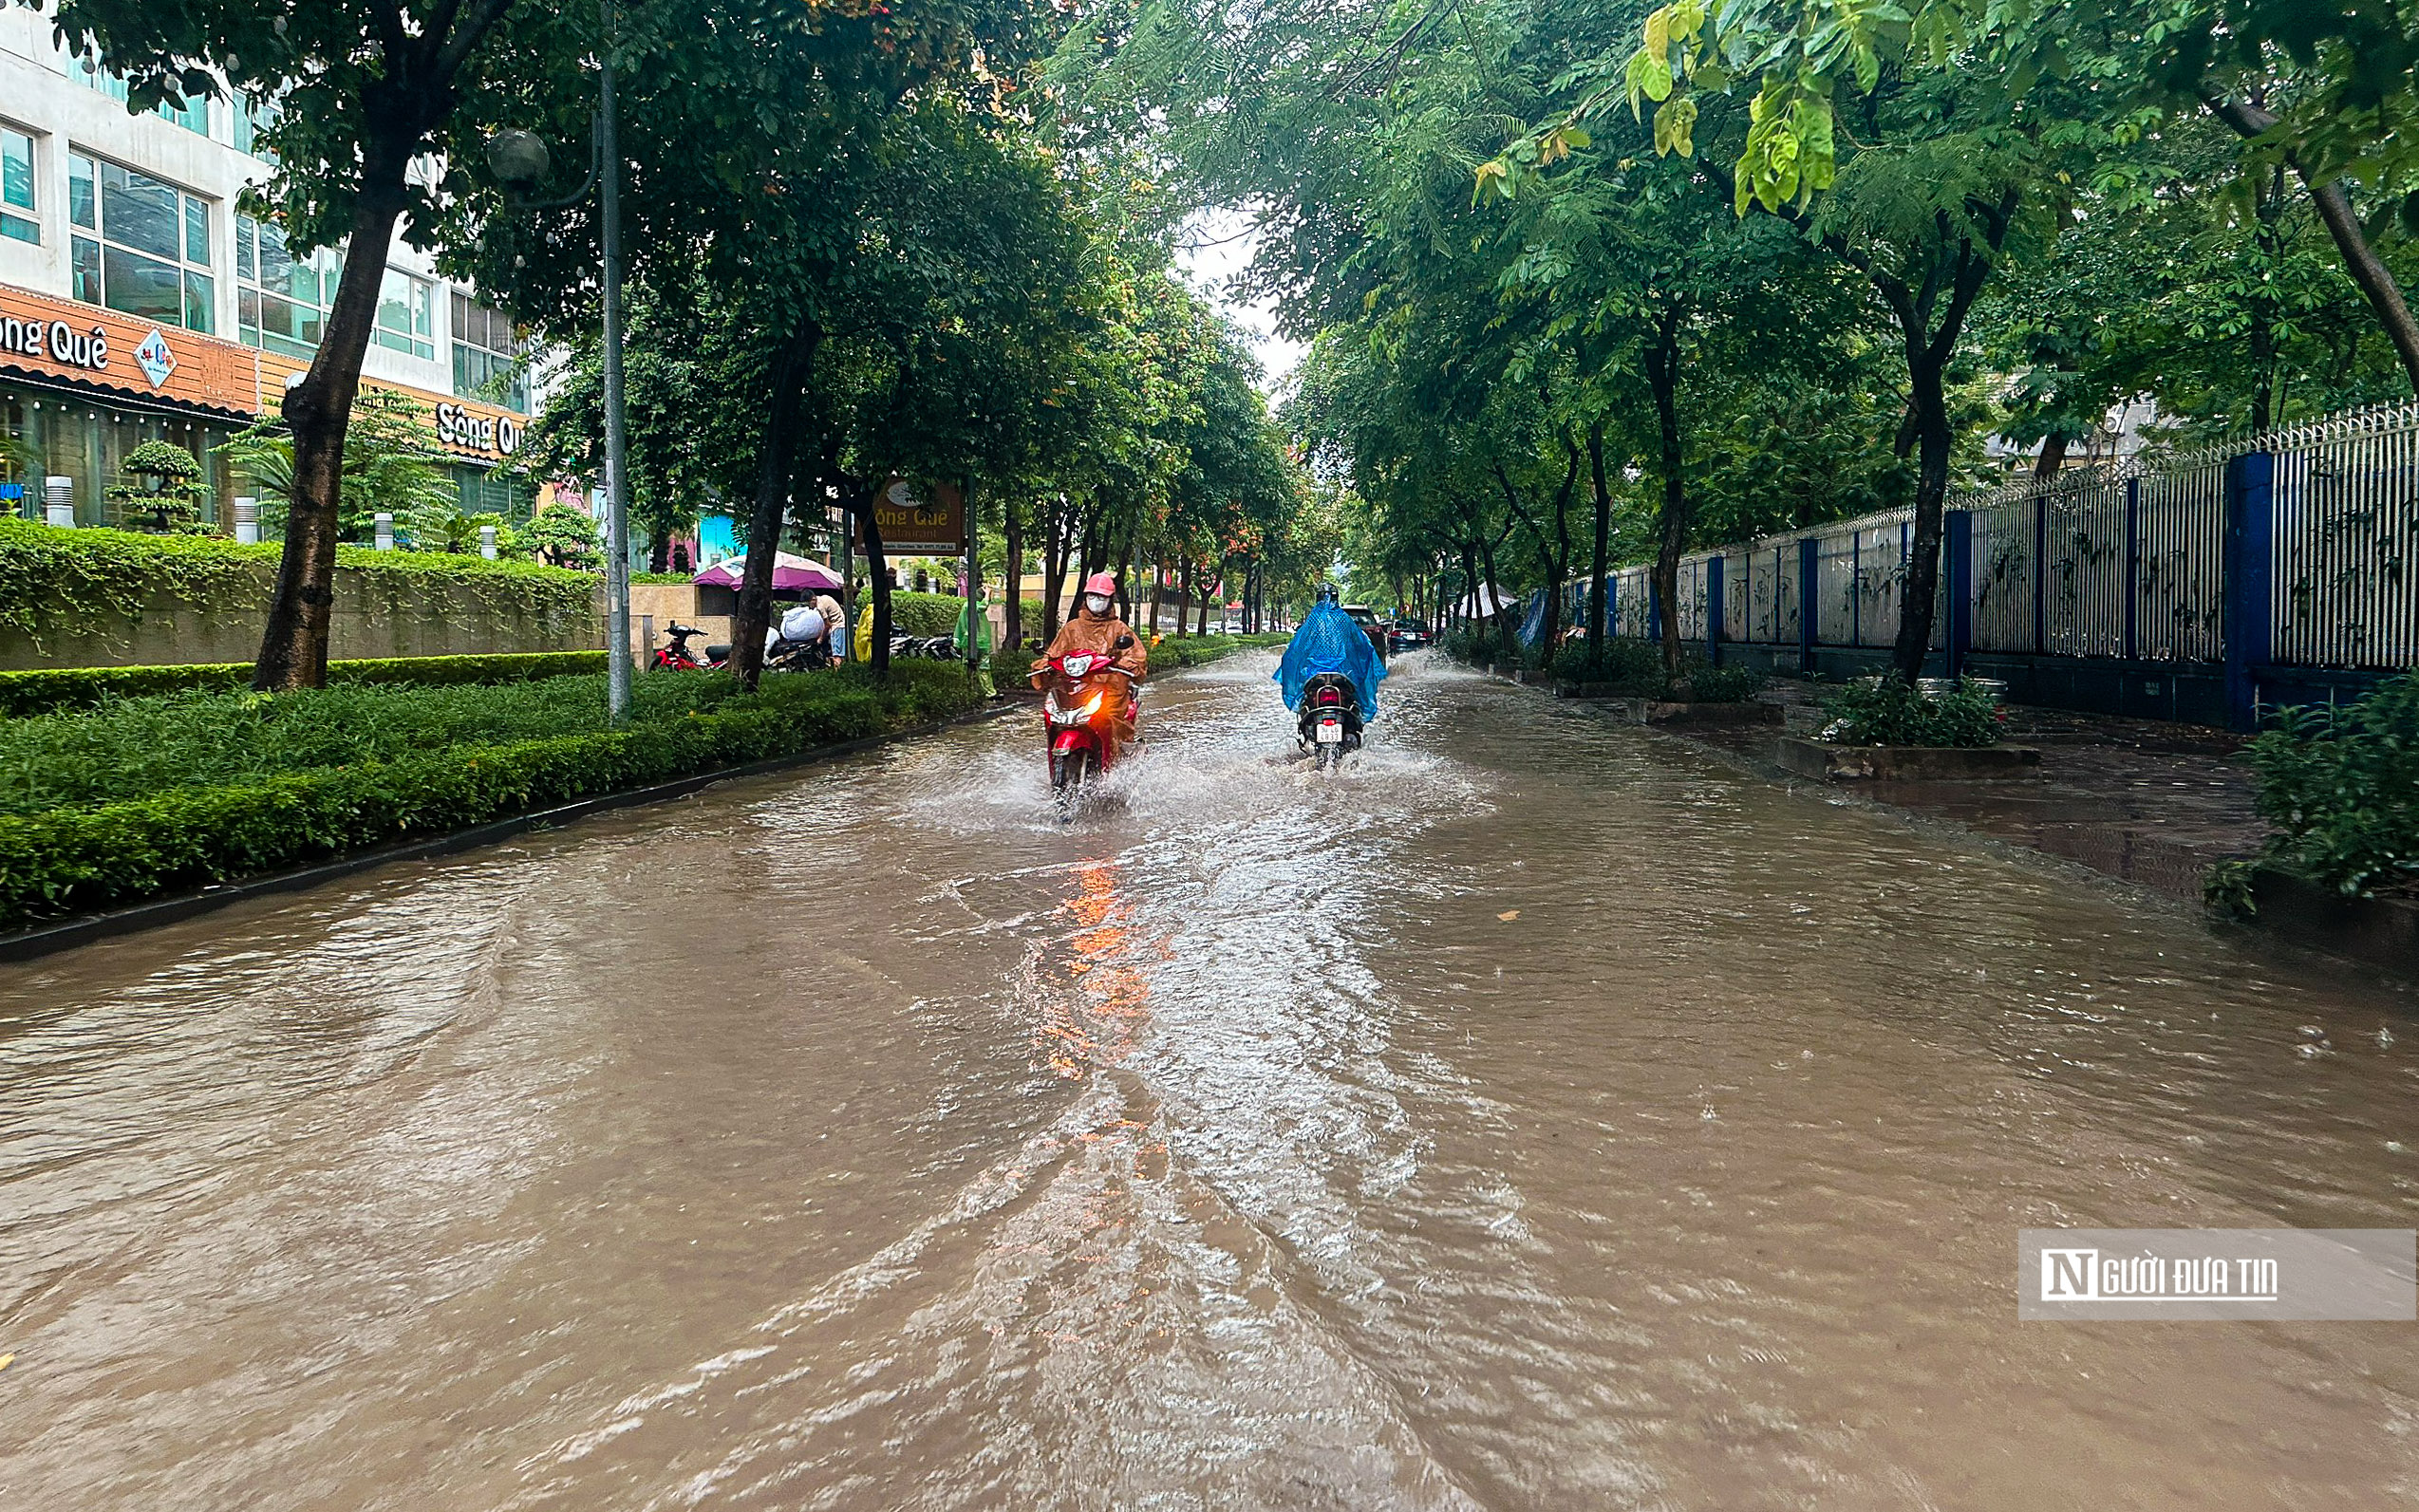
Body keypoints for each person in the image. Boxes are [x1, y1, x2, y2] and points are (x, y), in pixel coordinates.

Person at [1034, 571, 1147, 742]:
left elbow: (1136, 656)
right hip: (1075, 688)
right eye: (1092, 595)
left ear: (1110, 600)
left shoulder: (1119, 628)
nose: (1096, 600)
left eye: (1101, 597)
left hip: (1110, 689)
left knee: (1113, 719)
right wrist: (1044, 664)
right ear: (1085, 597)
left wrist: (1124, 664)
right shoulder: (1072, 628)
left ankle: (1119, 751)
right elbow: (1054, 652)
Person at [1277, 583, 1388, 722]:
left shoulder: (1312, 620)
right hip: (1343, 674)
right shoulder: (1344, 619)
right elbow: (1362, 646)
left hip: (1314, 675)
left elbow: (1296, 650)